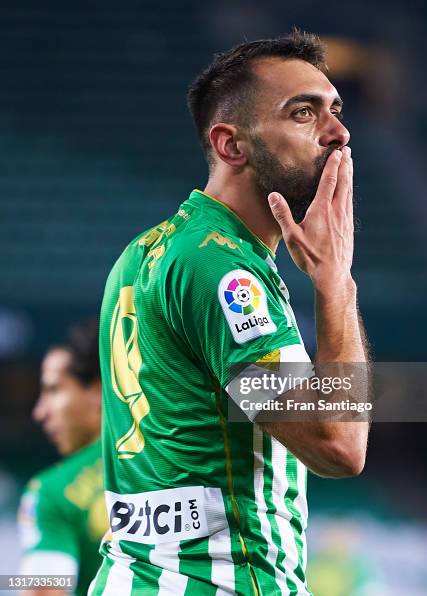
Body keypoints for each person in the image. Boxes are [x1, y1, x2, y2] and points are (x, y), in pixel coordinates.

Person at [91, 29, 369, 595]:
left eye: (335, 110)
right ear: (231, 145)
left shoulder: (148, 250)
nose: (338, 133)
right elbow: (338, 444)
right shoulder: (225, 270)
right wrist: (337, 285)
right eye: (303, 113)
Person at [18, 319, 108, 596]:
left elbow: (44, 589)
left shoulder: (51, 492)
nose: (40, 412)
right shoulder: (181, 452)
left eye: (53, 390)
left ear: (96, 390)